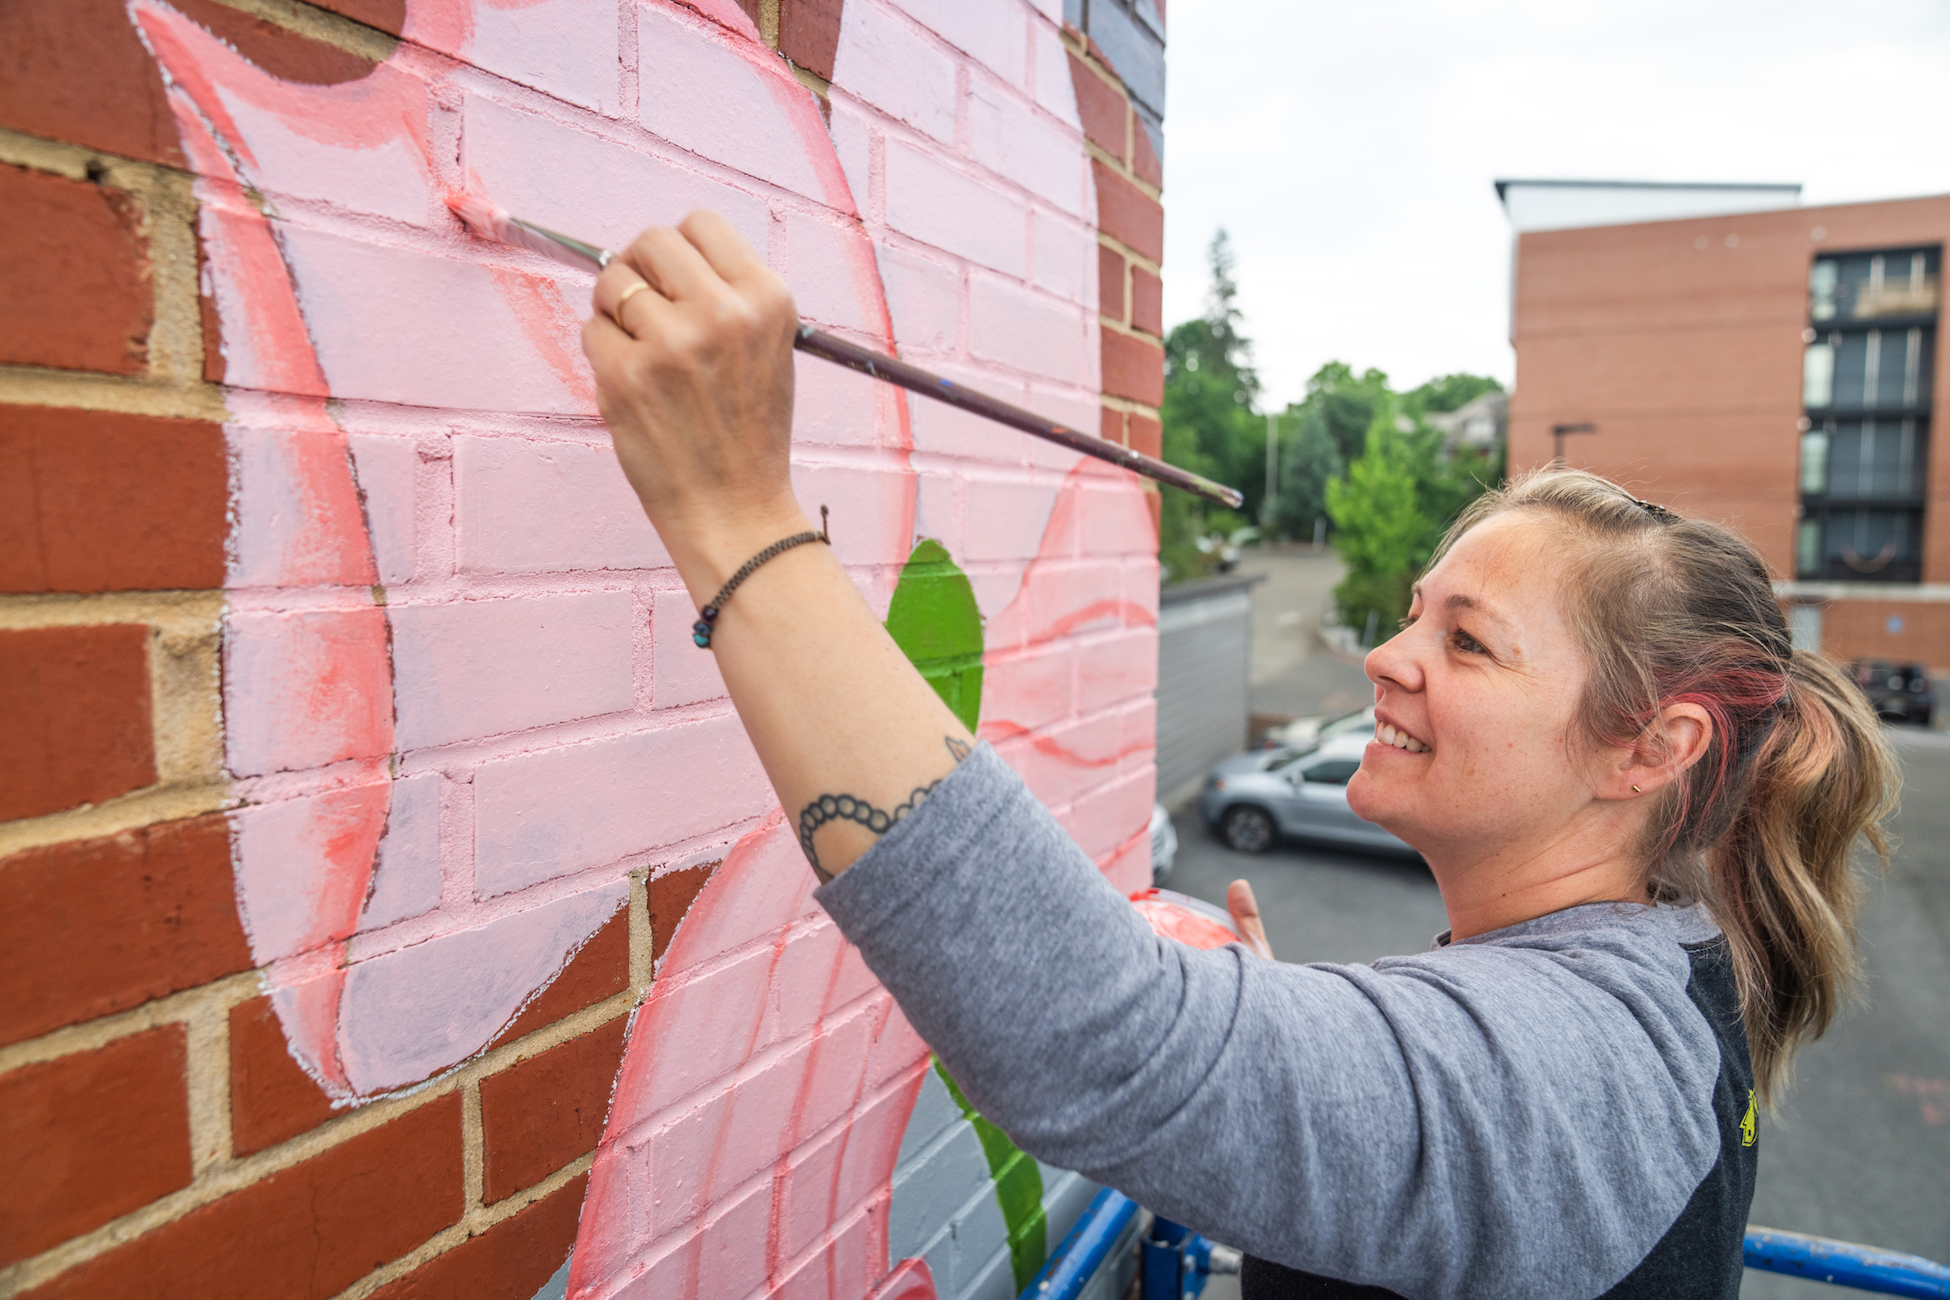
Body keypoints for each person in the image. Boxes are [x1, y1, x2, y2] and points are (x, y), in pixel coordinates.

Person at [579, 214, 1897, 1300]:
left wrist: (733, 510)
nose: (1384, 658)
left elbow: (1092, 1043)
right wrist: (1302, 1048)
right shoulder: (1666, 968)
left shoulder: (1576, 1066)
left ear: (1650, 749)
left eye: (1470, 642)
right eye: (1410, 614)